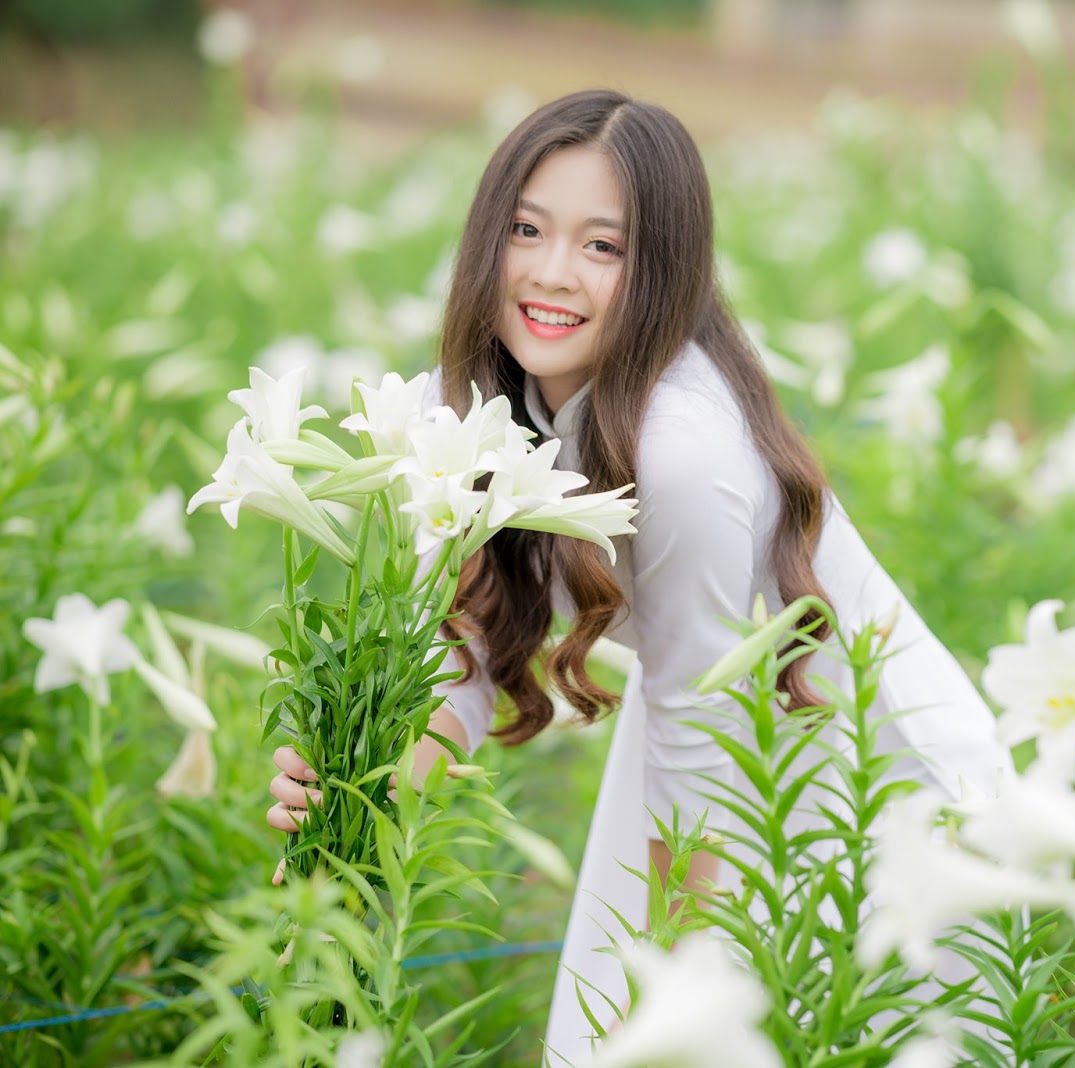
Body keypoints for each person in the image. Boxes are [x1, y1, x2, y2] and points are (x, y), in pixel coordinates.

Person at [264, 89, 1011, 1065]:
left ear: (663, 271)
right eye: (527, 229)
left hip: (858, 784)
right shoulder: (498, 396)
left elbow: (705, 769)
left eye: (601, 247)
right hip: (708, 747)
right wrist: (360, 797)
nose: (549, 273)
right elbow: (473, 648)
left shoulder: (684, 452)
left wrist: (665, 1001)